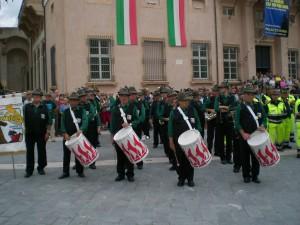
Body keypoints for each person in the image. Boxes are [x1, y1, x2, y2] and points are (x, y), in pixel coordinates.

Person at [235, 85, 267, 183]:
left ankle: (255, 175)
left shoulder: (259, 105)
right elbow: (237, 122)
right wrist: (243, 133)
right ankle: (246, 175)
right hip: (245, 136)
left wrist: (264, 126)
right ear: (243, 95)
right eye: (247, 94)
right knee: (245, 156)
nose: (250, 96)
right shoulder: (240, 107)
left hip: (256, 135)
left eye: (252, 94)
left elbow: (265, 118)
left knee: (256, 156)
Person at [169, 91, 201, 187]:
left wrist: (199, 134)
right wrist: (170, 140)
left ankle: (190, 178)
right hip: (178, 141)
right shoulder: (174, 112)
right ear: (180, 101)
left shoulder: (193, 110)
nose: (187, 103)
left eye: (188, 101)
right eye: (185, 101)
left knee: (190, 159)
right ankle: (181, 178)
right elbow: (170, 127)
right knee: (180, 160)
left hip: (191, 141)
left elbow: (198, 122)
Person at [110, 87, 139, 182]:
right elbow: (112, 123)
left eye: (125, 96)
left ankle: (130, 174)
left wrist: (130, 124)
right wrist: (112, 136)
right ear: (119, 97)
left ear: (128, 97)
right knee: (120, 156)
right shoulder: (115, 109)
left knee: (129, 155)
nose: (123, 98)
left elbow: (137, 120)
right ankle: (120, 174)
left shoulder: (133, 107)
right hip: (118, 136)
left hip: (129, 135)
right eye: (121, 96)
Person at [59, 92, 88, 179]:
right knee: (66, 155)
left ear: (78, 101)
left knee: (79, 153)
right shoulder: (66, 112)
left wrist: (81, 129)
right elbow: (62, 123)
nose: (73, 102)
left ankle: (80, 171)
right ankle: (65, 172)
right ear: (69, 101)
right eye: (72, 100)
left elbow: (85, 121)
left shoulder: (81, 110)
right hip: (67, 136)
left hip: (78, 136)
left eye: (75, 100)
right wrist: (64, 133)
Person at [24, 89, 52, 178]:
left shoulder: (44, 107)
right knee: (30, 152)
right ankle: (29, 170)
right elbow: (21, 119)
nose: (37, 98)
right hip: (29, 133)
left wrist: (48, 132)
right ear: (32, 97)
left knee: (41, 151)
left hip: (41, 133)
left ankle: (41, 168)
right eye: (35, 96)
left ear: (41, 98)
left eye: (38, 96)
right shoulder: (27, 107)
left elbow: (49, 121)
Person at [78, 89, 101, 170]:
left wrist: (98, 125)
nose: (84, 98)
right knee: (81, 145)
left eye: (85, 96)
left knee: (92, 145)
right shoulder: (78, 106)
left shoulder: (91, 104)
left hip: (92, 127)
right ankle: (80, 162)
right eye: (82, 97)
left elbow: (95, 114)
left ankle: (92, 162)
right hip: (81, 129)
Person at [214, 82, 236, 164]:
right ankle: (222, 158)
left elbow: (233, 107)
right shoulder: (218, 97)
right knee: (220, 141)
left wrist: (223, 107)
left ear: (226, 88)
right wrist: (226, 107)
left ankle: (229, 157)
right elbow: (216, 108)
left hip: (229, 121)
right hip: (220, 121)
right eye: (220, 88)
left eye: (222, 88)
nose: (220, 89)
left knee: (229, 140)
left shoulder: (232, 97)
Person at [205, 85, 219, 154]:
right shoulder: (210, 99)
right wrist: (211, 110)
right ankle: (209, 150)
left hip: (218, 118)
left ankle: (217, 151)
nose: (214, 92)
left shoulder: (220, 99)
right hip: (211, 117)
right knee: (210, 135)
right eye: (213, 91)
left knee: (218, 135)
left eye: (215, 91)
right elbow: (204, 108)